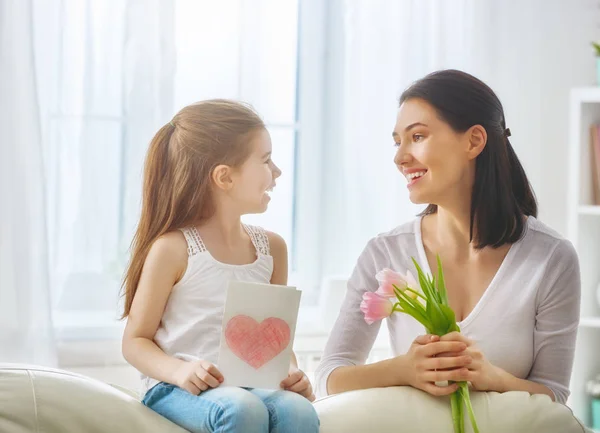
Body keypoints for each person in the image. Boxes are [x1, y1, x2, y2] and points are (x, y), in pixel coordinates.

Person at [314, 70, 580, 405]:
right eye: (398, 142)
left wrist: (492, 378)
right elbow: (328, 378)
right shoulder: (385, 252)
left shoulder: (551, 258)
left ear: (474, 141)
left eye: (418, 137)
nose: (400, 157)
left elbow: (554, 395)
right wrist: (404, 370)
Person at [121, 99, 319, 433]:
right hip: (177, 388)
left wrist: (291, 372)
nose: (277, 172)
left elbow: (276, 341)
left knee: (297, 411)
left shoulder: (272, 249)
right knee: (240, 409)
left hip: (250, 386)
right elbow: (135, 341)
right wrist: (179, 372)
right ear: (224, 177)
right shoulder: (173, 249)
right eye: (266, 160)